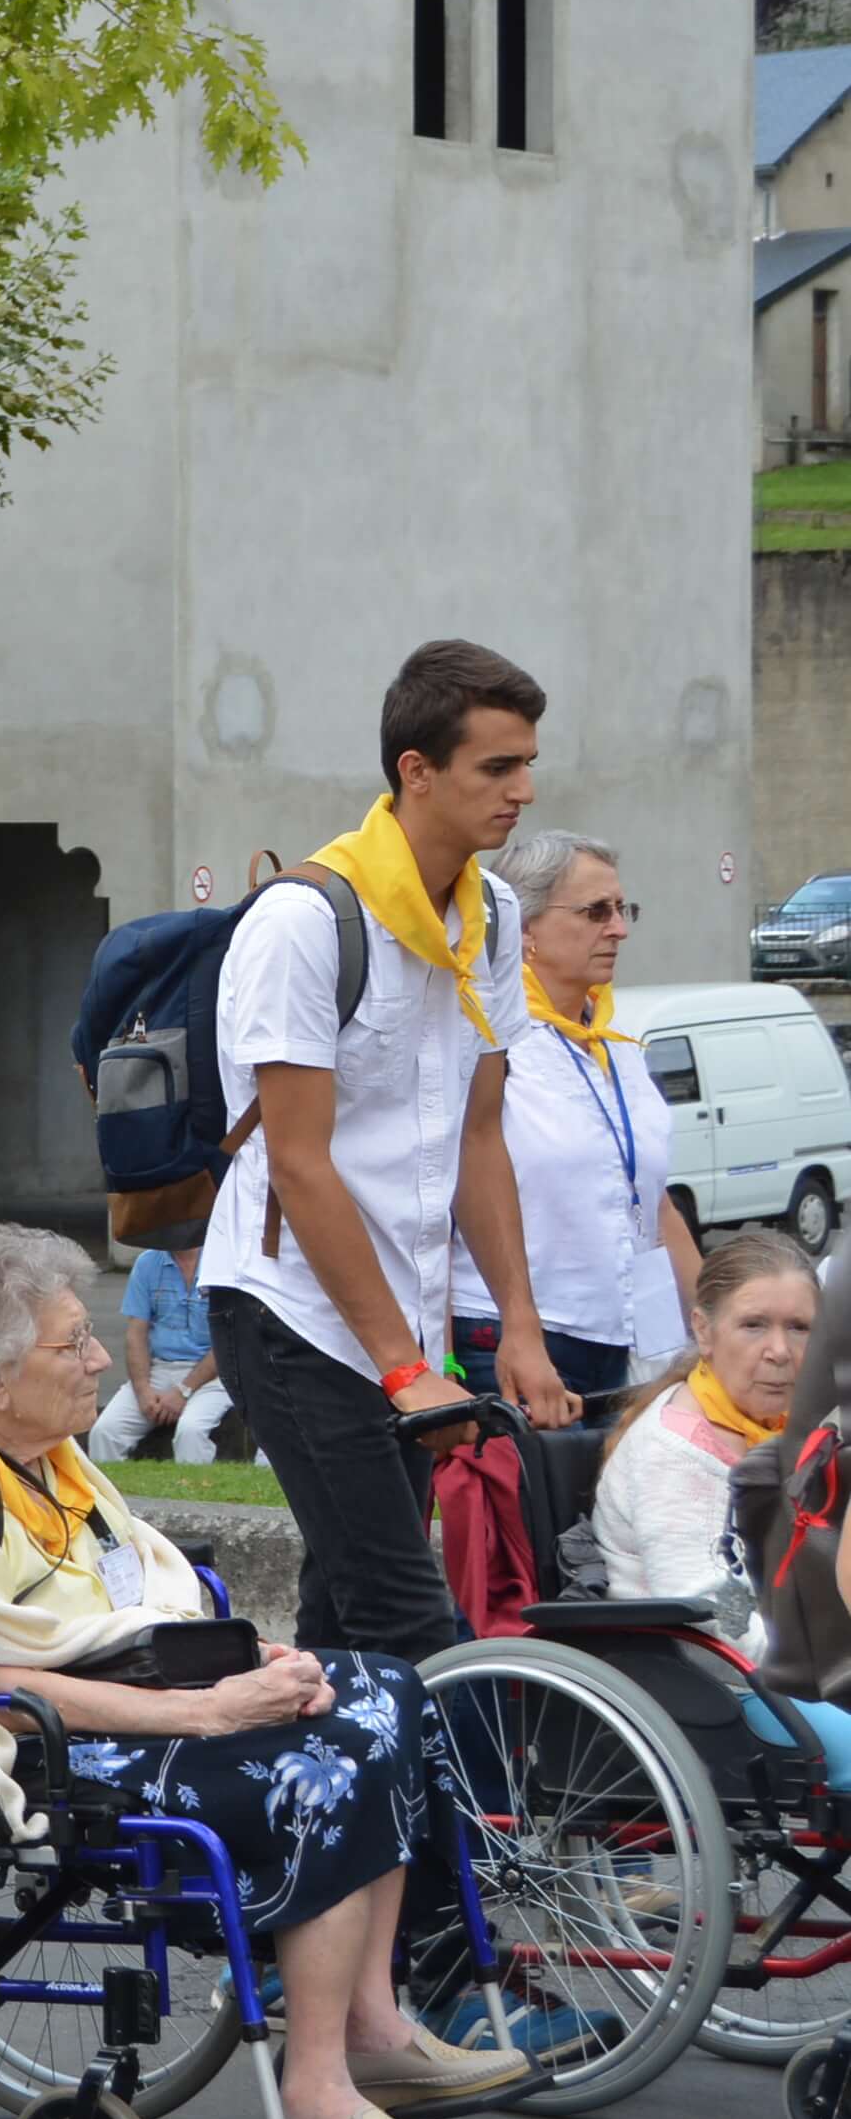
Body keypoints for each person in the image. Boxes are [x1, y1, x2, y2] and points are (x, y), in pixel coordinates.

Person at [0, 1226, 530, 2119]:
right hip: (51, 1741)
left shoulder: (52, 1463)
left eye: (90, 1338)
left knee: (388, 1691)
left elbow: (139, 1612)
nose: (99, 1362)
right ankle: (317, 2096)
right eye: (73, 1344)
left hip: (137, 1700)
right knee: (321, 1759)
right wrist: (208, 1711)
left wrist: (249, 1663)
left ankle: (373, 2021)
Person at [206, 640, 573, 1663]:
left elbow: (479, 1135)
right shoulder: (306, 921)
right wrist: (405, 1364)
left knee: (342, 1626)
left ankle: (291, 1814)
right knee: (410, 1621)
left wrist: (519, 1331)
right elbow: (300, 1162)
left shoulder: (492, 917)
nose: (524, 791)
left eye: (528, 763)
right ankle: (464, 1831)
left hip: (400, 1326)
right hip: (291, 1316)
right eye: (497, 768)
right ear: (416, 771)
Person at [452, 830, 697, 1408]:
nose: (619, 928)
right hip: (511, 1339)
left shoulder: (618, 1047)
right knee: (536, 1500)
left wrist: (713, 1325)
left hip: (627, 1341)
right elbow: (440, 1201)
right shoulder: (486, 1042)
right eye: (595, 912)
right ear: (524, 929)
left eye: (622, 909)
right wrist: (442, 1361)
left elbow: (655, 1204)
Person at [592, 1233, 851, 1770]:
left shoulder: (794, 1428)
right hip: (719, 1678)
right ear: (704, 1330)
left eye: (799, 1328)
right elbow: (711, 1602)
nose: (779, 1350)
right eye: (754, 1325)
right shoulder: (677, 1451)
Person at [86, 1244, 235, 1469]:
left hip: (215, 1376)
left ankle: (196, 1498)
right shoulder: (147, 1263)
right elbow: (136, 1334)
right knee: (105, 1431)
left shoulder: (224, 1263)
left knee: (191, 1432)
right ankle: (111, 1500)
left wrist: (183, 1391)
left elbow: (228, 1342)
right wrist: (143, 1390)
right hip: (160, 1367)